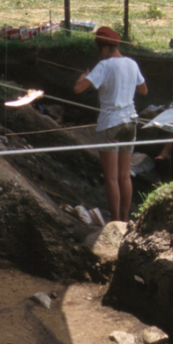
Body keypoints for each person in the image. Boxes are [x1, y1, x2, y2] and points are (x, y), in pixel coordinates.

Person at [73, 27, 146, 224]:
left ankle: (114, 222)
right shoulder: (131, 63)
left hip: (110, 125)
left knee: (112, 179)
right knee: (125, 176)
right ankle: (124, 219)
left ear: (105, 48)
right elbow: (144, 90)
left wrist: (83, 77)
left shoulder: (104, 66)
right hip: (130, 121)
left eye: (99, 49)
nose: (100, 53)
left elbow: (78, 89)